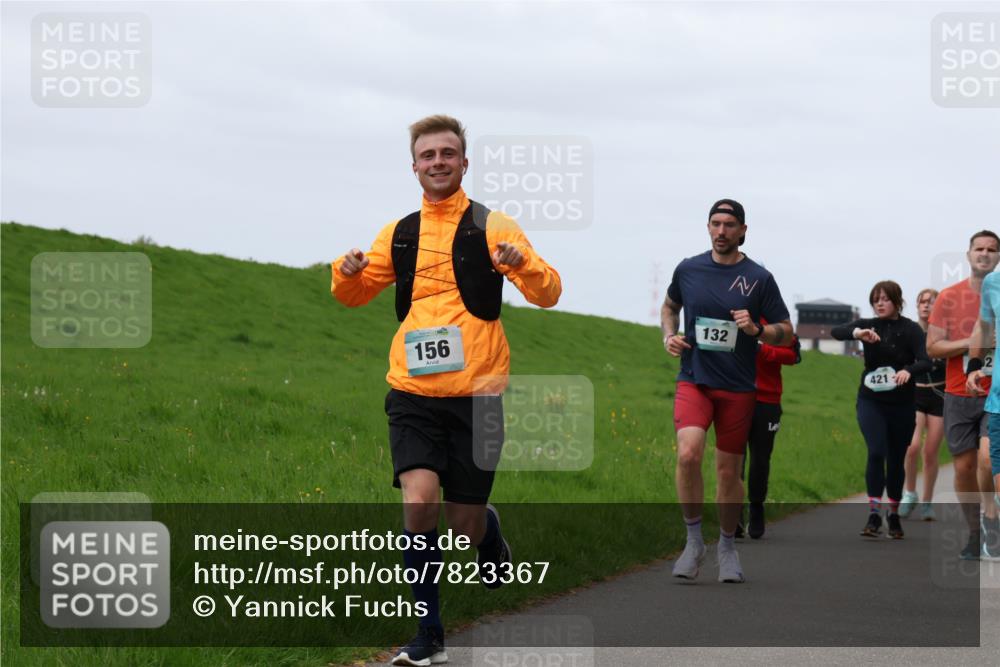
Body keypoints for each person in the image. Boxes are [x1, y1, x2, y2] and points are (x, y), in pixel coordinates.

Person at [331, 114, 562, 665]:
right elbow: (355, 294)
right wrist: (346, 272)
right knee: (418, 502)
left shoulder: (493, 226)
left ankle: (489, 535)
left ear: (464, 162)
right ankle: (429, 632)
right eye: (428, 155)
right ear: (414, 166)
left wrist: (522, 263)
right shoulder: (399, 233)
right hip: (411, 392)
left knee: (463, 520)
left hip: (477, 397)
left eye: (448, 154)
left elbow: (549, 291)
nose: (438, 162)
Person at [661, 198, 793, 583]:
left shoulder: (759, 278)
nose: (721, 231)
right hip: (694, 378)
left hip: (737, 386)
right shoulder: (688, 269)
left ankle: (727, 547)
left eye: (729, 225)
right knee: (688, 454)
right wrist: (669, 335)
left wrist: (757, 330)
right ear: (708, 227)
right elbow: (669, 307)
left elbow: (786, 330)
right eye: (715, 224)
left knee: (728, 472)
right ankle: (692, 541)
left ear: (743, 231)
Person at [832, 281, 931, 539]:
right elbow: (835, 331)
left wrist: (908, 371)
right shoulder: (868, 325)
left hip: (902, 404)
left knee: (896, 460)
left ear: (897, 301)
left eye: (885, 299)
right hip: (871, 400)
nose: (879, 303)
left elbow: (926, 361)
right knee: (876, 451)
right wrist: (857, 334)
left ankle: (894, 514)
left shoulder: (910, 329)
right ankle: (874, 514)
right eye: (875, 299)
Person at [927, 230, 1000, 560]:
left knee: (988, 458)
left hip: (993, 395)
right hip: (958, 392)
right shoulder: (948, 297)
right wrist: (974, 346)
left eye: (992, 250)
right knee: (964, 468)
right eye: (979, 249)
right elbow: (933, 347)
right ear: (968, 255)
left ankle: (991, 519)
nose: (984, 254)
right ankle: (974, 533)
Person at [736, 321, 801, 539]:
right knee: (734, 459)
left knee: (760, 460)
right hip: (734, 396)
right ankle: (733, 513)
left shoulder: (776, 321)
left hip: (767, 400)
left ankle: (756, 507)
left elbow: (792, 356)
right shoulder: (729, 312)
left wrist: (762, 349)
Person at [899, 288, 946, 521]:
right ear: (916, 306)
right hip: (914, 394)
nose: (926, 306)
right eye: (922, 302)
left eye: (931, 302)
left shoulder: (946, 333)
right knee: (912, 447)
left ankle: (927, 502)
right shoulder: (909, 331)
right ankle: (910, 493)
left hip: (939, 396)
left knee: (930, 453)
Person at [963, 269, 1000, 560]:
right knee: (989, 465)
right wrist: (974, 365)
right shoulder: (993, 283)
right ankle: (992, 519)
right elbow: (985, 328)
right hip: (998, 399)